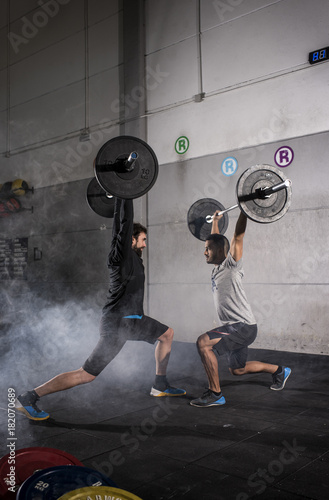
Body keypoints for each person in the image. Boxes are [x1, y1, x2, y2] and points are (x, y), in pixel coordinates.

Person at [16, 198, 185, 421]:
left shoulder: (134, 258)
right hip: (117, 324)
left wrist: (118, 196)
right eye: (142, 240)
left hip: (133, 321)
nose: (145, 244)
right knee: (86, 375)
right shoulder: (121, 256)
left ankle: (160, 384)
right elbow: (122, 225)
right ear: (131, 240)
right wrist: (126, 194)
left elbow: (121, 224)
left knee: (167, 334)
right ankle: (28, 397)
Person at [190, 210, 291, 407]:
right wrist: (216, 221)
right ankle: (279, 371)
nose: (204, 252)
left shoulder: (231, 265)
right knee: (238, 370)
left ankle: (215, 394)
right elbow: (218, 240)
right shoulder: (217, 269)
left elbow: (237, 236)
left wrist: (245, 211)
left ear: (220, 251)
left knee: (203, 343)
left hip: (241, 326)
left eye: (207, 249)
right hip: (237, 327)